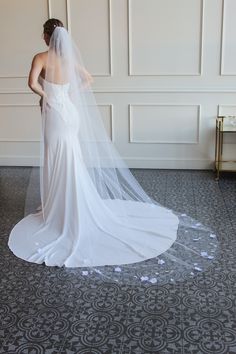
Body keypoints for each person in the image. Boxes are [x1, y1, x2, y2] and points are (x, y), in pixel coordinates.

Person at [8, 19, 218, 285]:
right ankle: (68, 202)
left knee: (56, 156)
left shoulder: (40, 57)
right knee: (71, 156)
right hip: (69, 113)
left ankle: (58, 206)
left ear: (45, 36)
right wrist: (68, 95)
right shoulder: (69, 60)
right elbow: (89, 79)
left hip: (54, 113)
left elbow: (31, 84)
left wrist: (48, 96)